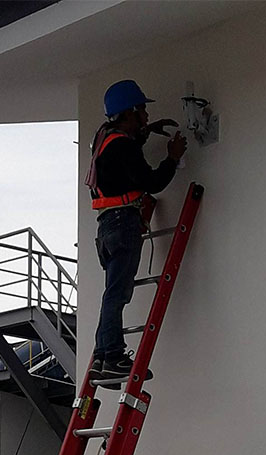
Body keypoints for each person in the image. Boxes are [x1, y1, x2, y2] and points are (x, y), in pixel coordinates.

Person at [85, 79, 188, 381]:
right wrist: (172, 157)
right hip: (123, 222)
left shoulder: (104, 138)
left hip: (106, 225)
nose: (146, 114)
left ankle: (102, 357)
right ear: (129, 112)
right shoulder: (123, 146)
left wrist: (146, 131)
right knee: (117, 294)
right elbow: (152, 182)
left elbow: (121, 161)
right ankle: (114, 356)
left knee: (111, 293)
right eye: (141, 110)